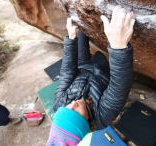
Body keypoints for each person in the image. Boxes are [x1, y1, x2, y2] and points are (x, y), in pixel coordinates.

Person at [47, 5, 135, 146]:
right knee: (101, 55)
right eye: (75, 113)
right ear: (85, 124)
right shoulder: (101, 116)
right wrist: (119, 48)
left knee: (80, 31)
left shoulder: (59, 103)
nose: (72, 104)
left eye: (66, 109)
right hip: (103, 71)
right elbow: (119, 87)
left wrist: (70, 40)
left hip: (82, 67)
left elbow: (67, 72)